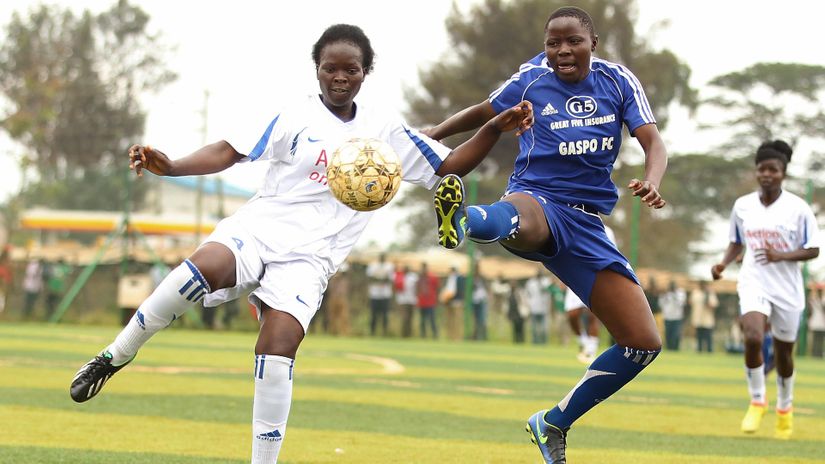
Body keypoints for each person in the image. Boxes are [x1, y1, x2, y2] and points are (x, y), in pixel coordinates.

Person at [67, 24, 533, 464]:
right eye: (331, 67)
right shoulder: (294, 114)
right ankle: (116, 355)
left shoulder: (383, 129)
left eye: (351, 69)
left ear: (365, 73)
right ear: (317, 69)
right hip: (259, 229)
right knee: (198, 270)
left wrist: (492, 129)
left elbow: (449, 165)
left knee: (278, 347)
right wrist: (171, 167)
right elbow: (230, 151)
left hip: (312, 258)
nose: (340, 77)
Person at [424, 7, 667, 462]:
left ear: (592, 42)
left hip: (589, 224)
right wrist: (432, 134)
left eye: (572, 40)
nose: (561, 50)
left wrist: (652, 180)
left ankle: (552, 422)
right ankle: (463, 220)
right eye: (553, 42)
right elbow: (483, 111)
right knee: (521, 216)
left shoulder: (618, 81)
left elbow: (653, 141)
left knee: (642, 343)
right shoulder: (531, 78)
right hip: (536, 197)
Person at [711, 140, 820, 440]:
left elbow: (813, 250)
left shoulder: (798, 208)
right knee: (753, 336)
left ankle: (785, 407)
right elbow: (736, 241)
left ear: (783, 173)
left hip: (787, 288)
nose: (766, 174)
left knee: (785, 356)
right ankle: (757, 400)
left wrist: (781, 256)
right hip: (753, 280)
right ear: (756, 172)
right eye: (762, 169)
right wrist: (723, 264)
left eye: (773, 169)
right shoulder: (743, 205)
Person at [564, 225, 616, 362]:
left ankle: (591, 349)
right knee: (572, 314)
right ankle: (582, 341)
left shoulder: (607, 231)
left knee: (593, 314)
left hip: (596, 276)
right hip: (575, 275)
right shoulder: (574, 224)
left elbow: (612, 253)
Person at [366, 253, 394, 336]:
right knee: (373, 315)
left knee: (385, 315)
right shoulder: (373, 266)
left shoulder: (389, 266)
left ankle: (384, 332)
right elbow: (370, 278)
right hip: (374, 294)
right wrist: (381, 279)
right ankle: (372, 332)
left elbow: (390, 279)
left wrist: (379, 279)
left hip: (385, 294)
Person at [690, 280, 719, 353]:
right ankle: (699, 351)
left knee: (708, 337)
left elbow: (714, 305)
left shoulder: (710, 293)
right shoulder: (695, 292)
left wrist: (707, 299)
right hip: (698, 318)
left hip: (707, 319)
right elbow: (691, 302)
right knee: (699, 337)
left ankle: (709, 351)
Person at [525, 270, 551, 344]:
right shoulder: (531, 282)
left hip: (544, 308)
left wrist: (540, 283)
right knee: (534, 327)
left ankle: (543, 342)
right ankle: (535, 342)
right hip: (534, 307)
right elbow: (527, 294)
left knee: (544, 328)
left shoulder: (546, 281)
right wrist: (529, 303)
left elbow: (547, 291)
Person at [659, 280, 687, 351]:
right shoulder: (666, 294)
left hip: (677, 317)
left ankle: (675, 348)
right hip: (667, 317)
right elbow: (660, 304)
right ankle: (669, 348)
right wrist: (665, 296)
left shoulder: (680, 293)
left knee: (676, 334)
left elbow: (681, 304)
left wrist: (674, 295)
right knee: (668, 334)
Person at [441, 266, 465, 341]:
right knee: (449, 321)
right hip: (448, 302)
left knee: (457, 321)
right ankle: (450, 336)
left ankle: (458, 338)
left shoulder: (460, 278)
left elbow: (460, 290)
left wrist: (452, 297)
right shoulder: (448, 279)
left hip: (457, 302)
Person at [417, 262, 439, 339]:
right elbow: (417, 289)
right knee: (422, 320)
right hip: (422, 302)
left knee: (432, 320)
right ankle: (423, 335)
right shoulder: (419, 278)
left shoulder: (432, 277)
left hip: (430, 302)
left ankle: (435, 334)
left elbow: (437, 288)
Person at [394, 264, 418, 338]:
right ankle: (404, 334)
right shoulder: (399, 276)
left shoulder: (413, 276)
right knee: (405, 317)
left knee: (410, 317)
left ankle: (409, 334)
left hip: (411, 299)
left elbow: (417, 287)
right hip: (402, 300)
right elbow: (395, 287)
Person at [470, 262, 488, 340]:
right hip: (474, 300)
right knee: (475, 320)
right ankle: (475, 336)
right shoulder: (471, 278)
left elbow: (486, 288)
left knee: (482, 319)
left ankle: (483, 336)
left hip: (481, 300)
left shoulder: (482, 278)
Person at [507, 279, 527, 343]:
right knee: (514, 328)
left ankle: (521, 340)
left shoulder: (519, 292)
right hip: (513, 313)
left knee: (520, 328)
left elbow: (523, 302)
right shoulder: (509, 293)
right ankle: (516, 341)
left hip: (519, 313)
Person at [808, 285, 825, 358]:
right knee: (816, 340)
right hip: (816, 322)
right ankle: (815, 353)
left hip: (821, 322)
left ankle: (818, 353)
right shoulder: (814, 299)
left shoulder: (822, 300)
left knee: (819, 339)